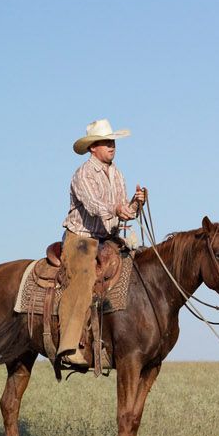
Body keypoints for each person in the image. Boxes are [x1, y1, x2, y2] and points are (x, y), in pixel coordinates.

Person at [59, 119, 147, 369]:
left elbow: (123, 211)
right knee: (84, 278)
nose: (111, 146)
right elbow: (94, 205)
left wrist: (135, 204)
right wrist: (118, 208)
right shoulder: (83, 174)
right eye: (105, 142)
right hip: (82, 237)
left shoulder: (117, 173)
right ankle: (69, 346)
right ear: (92, 148)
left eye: (112, 142)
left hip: (108, 238)